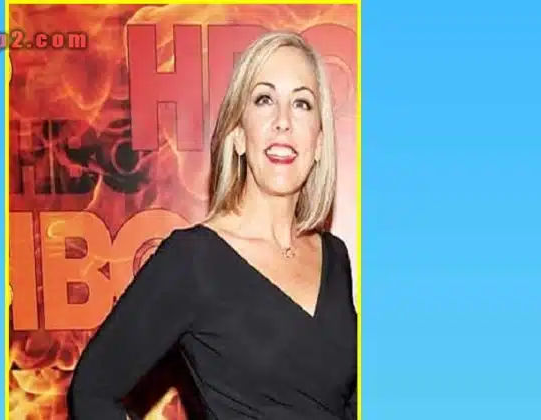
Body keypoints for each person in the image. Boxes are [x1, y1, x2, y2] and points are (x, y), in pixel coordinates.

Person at [68, 31, 357, 420]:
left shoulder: (335, 258)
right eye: (264, 100)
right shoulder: (193, 260)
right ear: (238, 136)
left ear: (319, 143)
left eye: (302, 103)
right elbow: (92, 391)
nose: (283, 122)